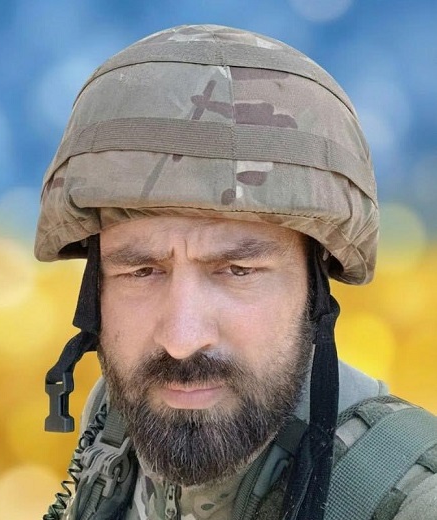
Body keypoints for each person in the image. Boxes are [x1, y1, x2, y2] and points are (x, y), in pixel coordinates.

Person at [36, 25, 437, 520]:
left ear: (314, 291)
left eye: (238, 269)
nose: (181, 340)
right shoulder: (114, 419)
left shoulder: (412, 502)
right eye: (141, 271)